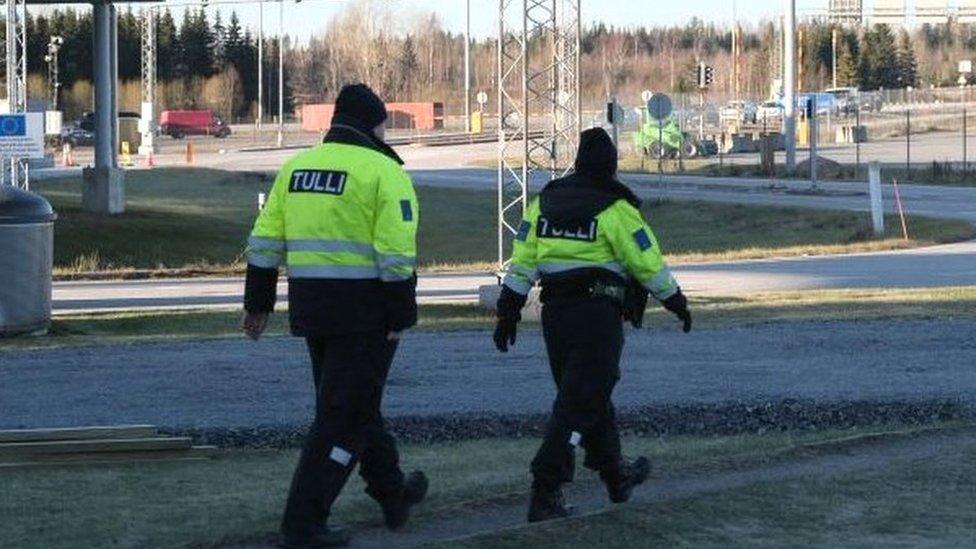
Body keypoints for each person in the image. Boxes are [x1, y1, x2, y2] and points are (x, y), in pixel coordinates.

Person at [242, 83, 428, 548]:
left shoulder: (297, 168)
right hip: (366, 314)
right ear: (373, 123)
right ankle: (303, 523)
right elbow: (396, 256)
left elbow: (265, 241)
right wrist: (400, 314)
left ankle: (393, 494)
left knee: (355, 406)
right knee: (342, 419)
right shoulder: (384, 173)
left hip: (311, 310)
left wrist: (258, 302)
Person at [493, 127, 693, 522]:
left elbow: (522, 263)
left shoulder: (544, 204)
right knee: (577, 403)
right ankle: (545, 488)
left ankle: (616, 473)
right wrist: (676, 302)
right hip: (597, 316)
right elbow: (645, 263)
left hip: (555, 316)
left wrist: (508, 311)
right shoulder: (615, 208)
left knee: (584, 396)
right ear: (611, 166)